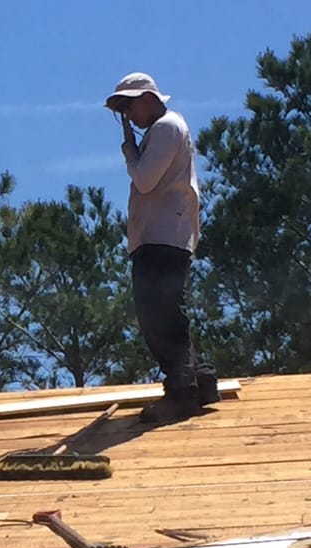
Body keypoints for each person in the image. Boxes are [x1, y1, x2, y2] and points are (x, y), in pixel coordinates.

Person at [105, 72, 219, 423]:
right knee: (166, 311)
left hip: (163, 236)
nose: (128, 115)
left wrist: (129, 150)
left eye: (129, 105)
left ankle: (182, 392)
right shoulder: (162, 130)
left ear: (148, 99)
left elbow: (144, 179)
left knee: (160, 316)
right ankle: (200, 381)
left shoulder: (168, 127)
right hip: (162, 234)